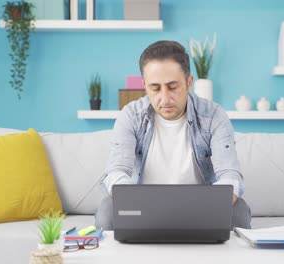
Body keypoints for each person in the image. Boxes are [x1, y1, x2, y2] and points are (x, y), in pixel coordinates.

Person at [96, 40, 251, 230]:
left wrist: (214, 204)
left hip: (202, 210)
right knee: (106, 209)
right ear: (144, 85)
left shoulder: (214, 116)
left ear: (189, 82)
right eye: (155, 88)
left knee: (240, 210)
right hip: (143, 209)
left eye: (172, 87)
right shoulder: (130, 116)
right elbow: (116, 171)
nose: (165, 98)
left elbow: (229, 174)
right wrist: (133, 200)